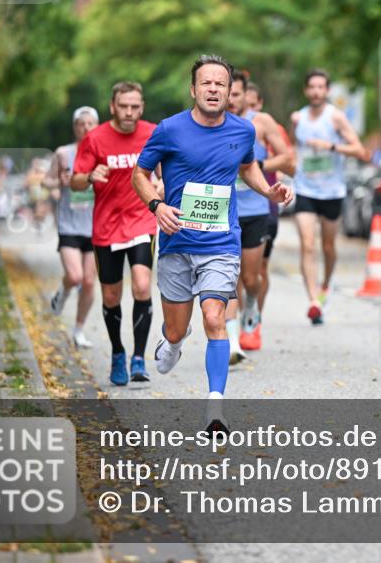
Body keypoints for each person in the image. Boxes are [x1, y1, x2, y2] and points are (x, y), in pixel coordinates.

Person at [132, 55, 292, 432]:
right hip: (175, 241)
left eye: (221, 84)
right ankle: (173, 341)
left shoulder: (242, 131)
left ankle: (215, 406)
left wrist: (268, 188)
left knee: (215, 317)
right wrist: (156, 206)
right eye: (206, 83)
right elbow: (139, 174)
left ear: (229, 91)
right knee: (175, 329)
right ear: (193, 89)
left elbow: (247, 165)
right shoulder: (169, 130)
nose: (214, 89)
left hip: (221, 242)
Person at [71, 82, 158, 386]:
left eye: (135, 107)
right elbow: (75, 181)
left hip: (141, 220)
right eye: (124, 106)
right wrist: (89, 176)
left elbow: (167, 168)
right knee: (111, 294)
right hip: (107, 226)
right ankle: (118, 352)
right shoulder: (94, 138)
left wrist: (161, 185)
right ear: (112, 107)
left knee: (143, 285)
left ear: (142, 107)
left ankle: (139, 358)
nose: (130, 112)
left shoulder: (152, 133)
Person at [224, 72, 295, 364]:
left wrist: (255, 164)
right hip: (222, 212)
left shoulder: (261, 122)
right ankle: (231, 343)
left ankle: (252, 304)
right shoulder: (213, 122)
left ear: (245, 95)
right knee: (227, 278)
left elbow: (289, 159)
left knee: (250, 278)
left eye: (237, 94)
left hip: (254, 211)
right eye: (228, 94)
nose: (231, 100)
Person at [290, 69, 368, 324]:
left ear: (327, 90)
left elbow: (359, 150)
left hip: (332, 191)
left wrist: (331, 147)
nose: (316, 91)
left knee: (328, 247)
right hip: (305, 189)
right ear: (305, 90)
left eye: (321, 87)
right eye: (312, 87)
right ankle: (314, 301)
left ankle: (326, 285)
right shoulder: (298, 119)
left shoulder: (336, 118)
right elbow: (294, 149)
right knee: (308, 244)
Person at [45, 106, 100, 348]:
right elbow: (46, 181)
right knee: (75, 276)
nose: (86, 127)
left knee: (88, 282)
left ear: (97, 126)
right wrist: (59, 181)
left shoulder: (102, 152)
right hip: (69, 224)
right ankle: (63, 292)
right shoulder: (63, 153)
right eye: (81, 123)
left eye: (90, 123)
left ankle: (78, 329)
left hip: (95, 226)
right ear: (74, 127)